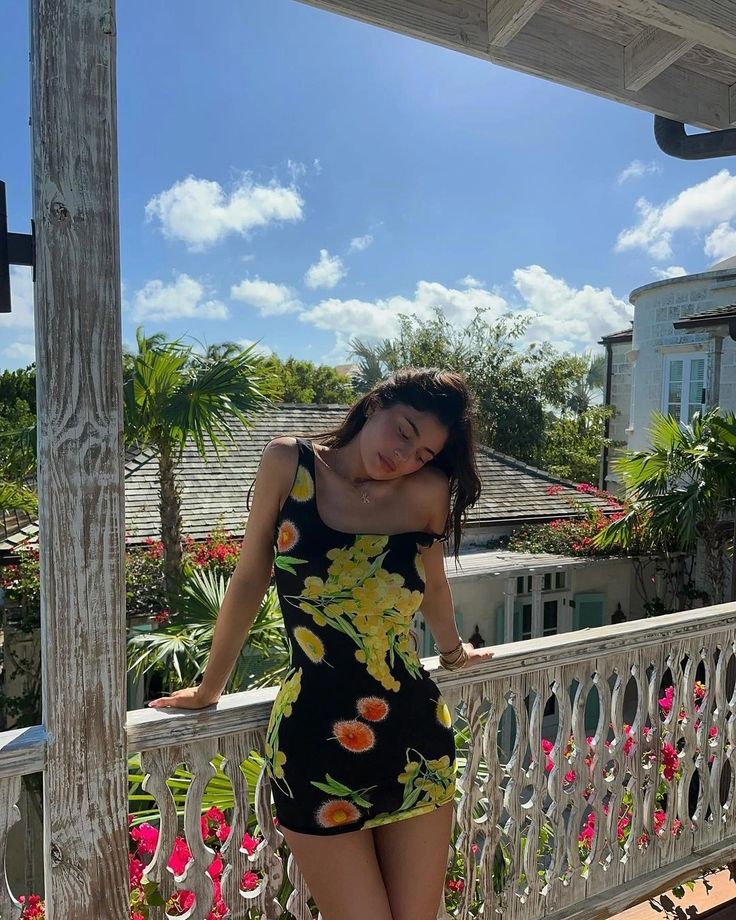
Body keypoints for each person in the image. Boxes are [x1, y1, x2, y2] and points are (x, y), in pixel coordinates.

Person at [149, 367, 494, 920]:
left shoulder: (428, 493)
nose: (406, 456)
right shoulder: (290, 463)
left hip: (416, 738)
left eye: (424, 452)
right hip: (313, 743)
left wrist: (454, 654)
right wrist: (209, 688)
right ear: (376, 403)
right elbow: (249, 577)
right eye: (404, 431)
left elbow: (433, 585)